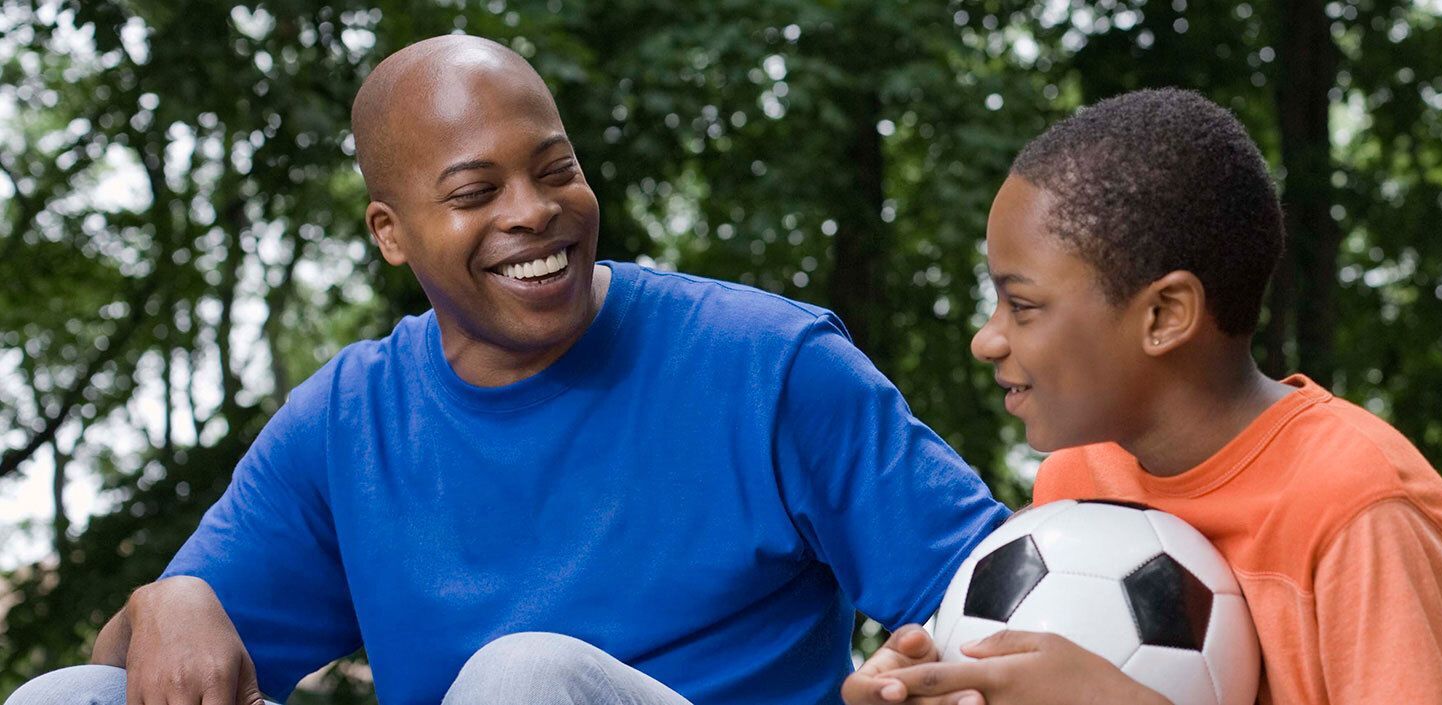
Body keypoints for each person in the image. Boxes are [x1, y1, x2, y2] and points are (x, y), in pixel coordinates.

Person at [6, 35, 1009, 705]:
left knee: (523, 679)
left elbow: (1002, 597)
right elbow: (148, 670)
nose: (532, 210)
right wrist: (168, 598)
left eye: (556, 168)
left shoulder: (769, 365)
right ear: (391, 235)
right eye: (475, 190)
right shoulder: (350, 422)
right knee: (69, 699)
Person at [843, 88, 1442, 705]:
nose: (986, 340)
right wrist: (947, 677)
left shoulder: (1359, 508)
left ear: (1165, 314)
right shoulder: (1077, 484)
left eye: (1021, 304)